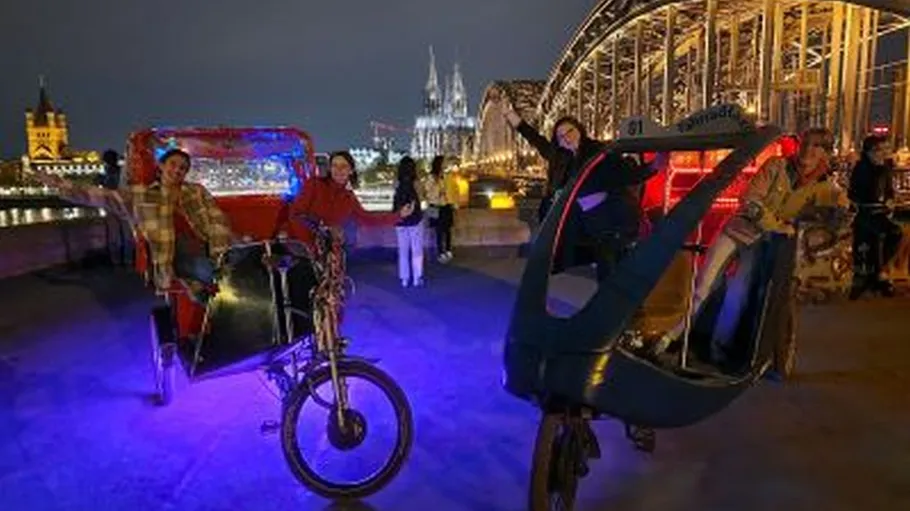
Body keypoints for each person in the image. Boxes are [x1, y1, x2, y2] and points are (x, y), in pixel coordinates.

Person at [652, 128, 847, 379]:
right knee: (704, 287)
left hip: (763, 245)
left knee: (739, 295)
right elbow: (751, 201)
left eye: (816, 147)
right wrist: (778, 226)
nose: (808, 151)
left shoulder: (822, 186)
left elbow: (839, 211)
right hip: (738, 232)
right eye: (805, 144)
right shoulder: (777, 166)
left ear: (825, 153)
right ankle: (670, 338)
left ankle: (718, 350)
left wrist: (842, 212)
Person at [492, 88, 661, 280]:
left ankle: (621, 305)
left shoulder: (599, 151)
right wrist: (510, 115)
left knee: (611, 263)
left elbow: (624, 174)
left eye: (570, 131)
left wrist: (653, 167)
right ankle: (610, 302)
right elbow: (533, 137)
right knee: (598, 261)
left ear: (579, 129)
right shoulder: (558, 157)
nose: (566, 137)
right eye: (560, 136)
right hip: (578, 221)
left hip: (606, 217)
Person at [30, 148, 233, 302]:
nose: (178, 170)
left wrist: (221, 250)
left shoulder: (196, 191)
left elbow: (217, 219)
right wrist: (58, 183)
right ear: (161, 166)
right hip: (174, 257)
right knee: (217, 274)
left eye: (183, 168)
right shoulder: (142, 195)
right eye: (173, 164)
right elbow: (100, 196)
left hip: (210, 247)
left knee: (250, 261)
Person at [287, 150, 414, 248]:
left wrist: (399, 215)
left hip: (328, 250)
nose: (338, 170)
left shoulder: (349, 198)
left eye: (344, 166)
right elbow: (296, 214)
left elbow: (368, 219)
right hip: (302, 249)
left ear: (351, 170)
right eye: (334, 166)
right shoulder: (314, 185)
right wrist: (310, 243)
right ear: (330, 169)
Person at [847, 135, 903, 299]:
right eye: (880, 150)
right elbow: (856, 194)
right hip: (865, 214)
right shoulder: (861, 169)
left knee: (895, 233)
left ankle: (877, 272)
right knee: (873, 236)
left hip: (880, 214)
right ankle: (874, 276)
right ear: (870, 152)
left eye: (885, 149)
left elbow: (889, 191)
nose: (884, 154)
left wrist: (890, 200)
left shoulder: (885, 168)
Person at [393, 156, 425, 287]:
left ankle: (404, 279)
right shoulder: (416, 183)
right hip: (415, 220)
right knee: (416, 250)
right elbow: (422, 198)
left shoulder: (396, 182)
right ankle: (417, 277)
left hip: (399, 220)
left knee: (403, 251)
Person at [424, 155, 459, 263]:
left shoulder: (447, 176)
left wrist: (454, 201)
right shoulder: (431, 177)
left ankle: (448, 250)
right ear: (439, 164)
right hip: (435, 206)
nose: (446, 164)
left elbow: (454, 189)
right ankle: (440, 252)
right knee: (438, 231)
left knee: (447, 229)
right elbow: (427, 192)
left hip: (446, 205)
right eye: (444, 162)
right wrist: (438, 193)